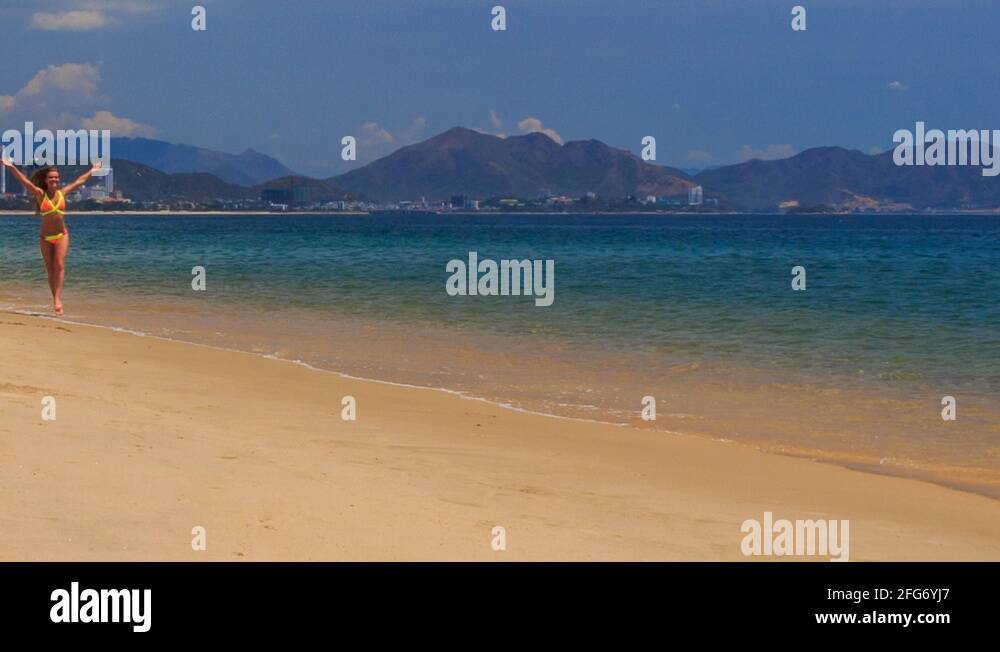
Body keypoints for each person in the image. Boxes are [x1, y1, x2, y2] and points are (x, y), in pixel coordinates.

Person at [1, 157, 102, 315]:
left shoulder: (63, 193)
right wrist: (11, 167)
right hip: (45, 238)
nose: (54, 179)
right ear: (46, 180)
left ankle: (57, 300)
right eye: (51, 177)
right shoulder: (40, 194)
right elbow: (25, 182)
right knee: (50, 270)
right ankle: (54, 297)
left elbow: (79, 181)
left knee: (60, 265)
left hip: (62, 235)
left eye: (56, 177)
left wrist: (92, 170)